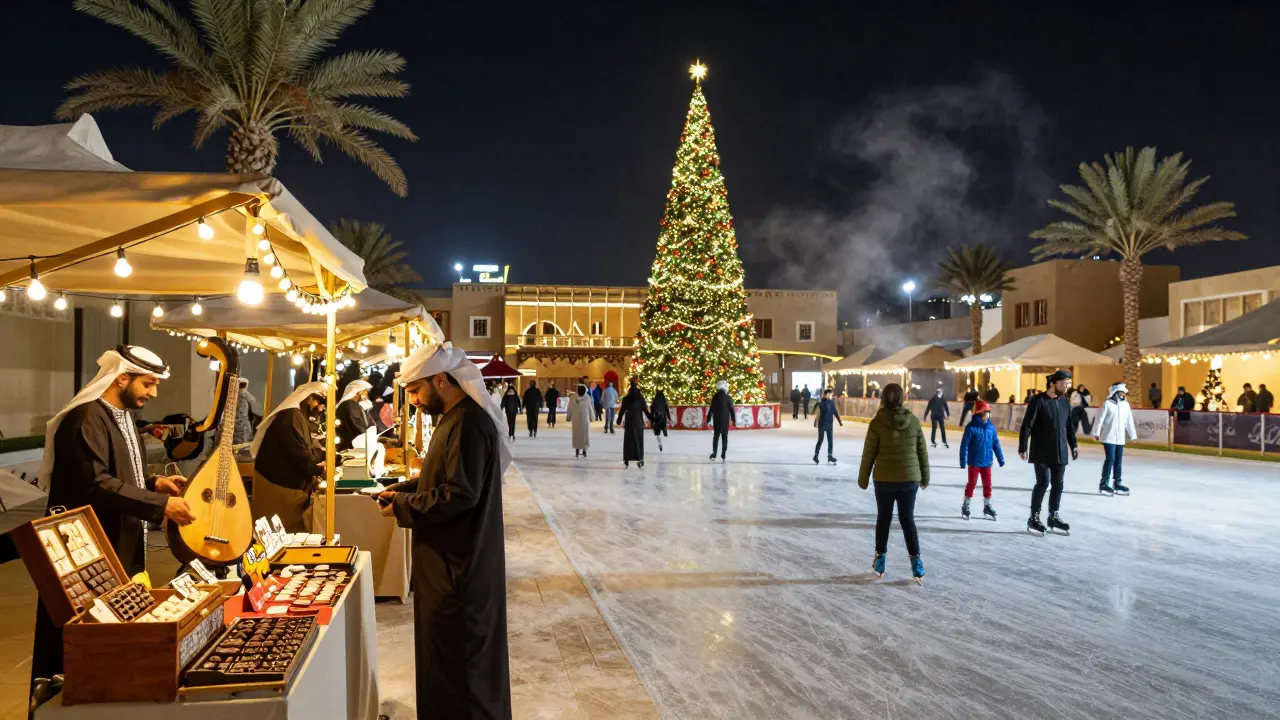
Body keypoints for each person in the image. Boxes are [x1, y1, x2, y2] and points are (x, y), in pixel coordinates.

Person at [31, 346, 195, 706]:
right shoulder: (86, 418)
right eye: (148, 384)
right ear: (122, 378)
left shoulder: (117, 415)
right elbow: (96, 483)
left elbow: (118, 472)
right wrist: (162, 505)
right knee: (81, 633)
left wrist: (153, 483)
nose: (153, 393)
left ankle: (111, 699)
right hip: (88, 546)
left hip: (119, 536)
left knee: (114, 627)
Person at [377, 342, 512, 719]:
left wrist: (403, 507)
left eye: (417, 391)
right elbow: (442, 478)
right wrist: (404, 490)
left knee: (462, 670)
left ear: (441, 380)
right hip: (446, 566)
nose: (415, 401)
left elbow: (459, 494)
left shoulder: (469, 422)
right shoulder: (453, 418)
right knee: (444, 664)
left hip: (460, 571)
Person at [857, 383, 928, 582]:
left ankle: (880, 560)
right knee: (907, 519)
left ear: (883, 399)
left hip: (884, 479)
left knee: (884, 519)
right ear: (902, 398)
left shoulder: (877, 423)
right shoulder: (913, 421)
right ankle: (917, 563)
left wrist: (863, 479)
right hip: (909, 479)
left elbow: (868, 454)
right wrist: (925, 477)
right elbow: (922, 451)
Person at [252, 382, 328, 532]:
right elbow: (300, 455)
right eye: (318, 400)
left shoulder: (297, 417)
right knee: (280, 533)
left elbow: (306, 449)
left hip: (286, 483)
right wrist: (319, 470)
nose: (320, 407)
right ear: (308, 398)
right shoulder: (291, 417)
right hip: (278, 486)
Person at [1018, 370, 1078, 536]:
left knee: (1058, 484)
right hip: (1042, 450)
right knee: (1043, 483)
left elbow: (1069, 426)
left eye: (1068, 384)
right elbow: (1027, 425)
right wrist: (1023, 446)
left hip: (1060, 451)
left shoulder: (1065, 401)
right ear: (1054, 383)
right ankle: (1034, 517)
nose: (1066, 387)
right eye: (1063, 384)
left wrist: (1073, 445)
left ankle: (1053, 516)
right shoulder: (1038, 401)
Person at [959, 399, 1003, 520]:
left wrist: (1000, 458)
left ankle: (987, 506)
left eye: (989, 412)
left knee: (988, 484)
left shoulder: (991, 427)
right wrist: (963, 460)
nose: (988, 414)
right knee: (972, 483)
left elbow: (996, 444)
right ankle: (966, 505)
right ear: (980, 413)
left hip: (987, 462)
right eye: (986, 412)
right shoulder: (971, 427)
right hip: (974, 462)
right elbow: (964, 445)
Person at [1093, 382, 1137, 496]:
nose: (1123, 394)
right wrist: (1096, 432)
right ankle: (1104, 484)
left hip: (1120, 438)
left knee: (1118, 461)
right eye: (1121, 392)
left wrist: (1133, 435)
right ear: (1115, 392)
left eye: (1124, 392)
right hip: (1108, 437)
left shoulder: (1125, 405)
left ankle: (1117, 483)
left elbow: (1129, 421)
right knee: (1110, 459)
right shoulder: (1107, 404)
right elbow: (1099, 419)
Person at [618, 380, 652, 468]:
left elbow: (622, 411)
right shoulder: (640, 399)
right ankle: (640, 458)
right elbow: (646, 411)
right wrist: (652, 419)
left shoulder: (626, 399)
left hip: (629, 422)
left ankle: (627, 460)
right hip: (638, 423)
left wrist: (619, 420)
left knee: (628, 442)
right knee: (638, 441)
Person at [335, 379, 374, 451]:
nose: (367, 394)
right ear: (359, 391)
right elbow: (358, 426)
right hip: (351, 446)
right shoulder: (350, 404)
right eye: (366, 391)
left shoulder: (355, 405)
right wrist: (370, 438)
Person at [706, 380, 736, 461]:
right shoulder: (729, 398)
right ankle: (723, 454)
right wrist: (733, 420)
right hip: (725, 421)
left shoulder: (715, 397)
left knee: (716, 436)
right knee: (724, 436)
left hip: (717, 420)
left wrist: (708, 419)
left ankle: (714, 453)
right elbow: (732, 410)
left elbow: (711, 410)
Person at [812, 387, 843, 464]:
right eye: (831, 394)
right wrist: (818, 403)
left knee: (830, 441)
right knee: (820, 440)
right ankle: (816, 455)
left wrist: (839, 421)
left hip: (829, 425)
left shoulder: (831, 402)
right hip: (822, 425)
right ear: (827, 394)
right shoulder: (821, 403)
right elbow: (814, 410)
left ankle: (830, 456)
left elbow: (835, 412)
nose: (832, 396)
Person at [568, 383, 593, 458]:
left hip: (576, 419)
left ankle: (577, 449)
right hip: (585, 419)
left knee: (577, 434)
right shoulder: (587, 398)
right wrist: (592, 417)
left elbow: (569, 408)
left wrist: (568, 416)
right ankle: (584, 449)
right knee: (584, 434)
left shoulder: (573, 397)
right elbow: (590, 408)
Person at [232, 377, 259, 444]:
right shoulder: (232, 394)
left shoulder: (245, 394)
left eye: (243, 385)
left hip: (243, 423)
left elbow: (253, 401)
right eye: (241, 385)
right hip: (234, 423)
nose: (241, 387)